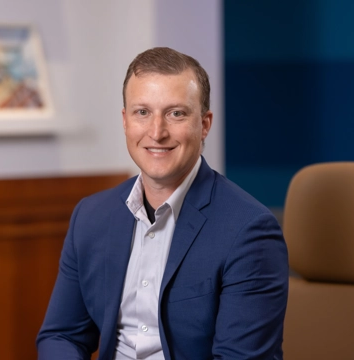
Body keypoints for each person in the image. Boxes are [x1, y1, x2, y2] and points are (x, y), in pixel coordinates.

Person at [37, 47, 288, 359]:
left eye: (176, 113)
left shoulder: (249, 230)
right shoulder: (91, 216)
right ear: (126, 121)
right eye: (142, 112)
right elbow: (62, 335)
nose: (157, 132)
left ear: (205, 125)